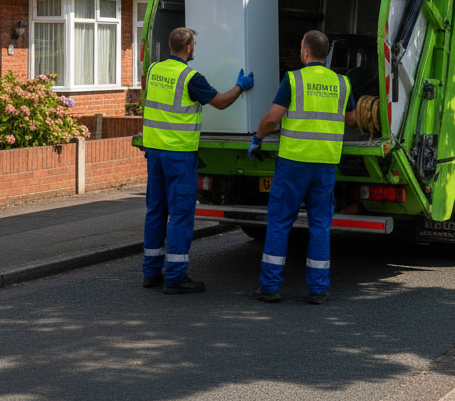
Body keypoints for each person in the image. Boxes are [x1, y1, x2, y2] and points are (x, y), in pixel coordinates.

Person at [247, 30, 356, 304]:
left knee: (280, 223)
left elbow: (273, 118)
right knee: (320, 226)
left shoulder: (293, 79)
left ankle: (270, 287)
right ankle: (318, 290)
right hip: (325, 166)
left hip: (293, 163)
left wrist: (257, 138)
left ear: (306, 51)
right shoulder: (342, 83)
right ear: (325, 53)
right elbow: (352, 118)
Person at [142, 27, 253, 294]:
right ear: (189, 47)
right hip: (178, 156)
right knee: (180, 215)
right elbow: (222, 102)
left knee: (156, 211)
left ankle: (150, 272)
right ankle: (176, 278)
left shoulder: (155, 70)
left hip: (154, 152)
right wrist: (241, 86)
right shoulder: (191, 77)